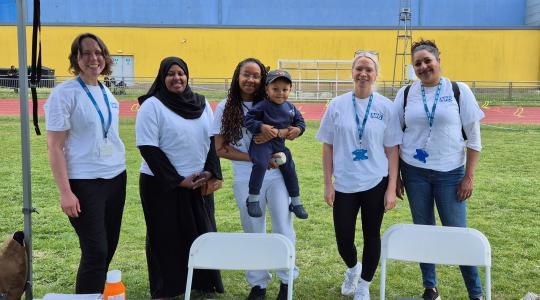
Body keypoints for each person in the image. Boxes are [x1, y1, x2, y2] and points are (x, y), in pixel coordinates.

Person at [394, 39, 485, 300]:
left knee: (458, 233)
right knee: (424, 230)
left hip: (450, 174)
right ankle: (430, 288)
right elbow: (397, 137)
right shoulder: (406, 94)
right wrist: (398, 175)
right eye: (417, 64)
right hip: (414, 173)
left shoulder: (459, 91)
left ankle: (475, 292)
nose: (423, 67)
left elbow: (474, 138)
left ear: (438, 60)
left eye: (427, 61)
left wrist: (469, 176)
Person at [44, 33, 126, 294]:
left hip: (116, 177)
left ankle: (96, 294)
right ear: (76, 58)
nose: (94, 58)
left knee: (108, 246)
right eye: (87, 53)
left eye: (99, 52)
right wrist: (66, 192)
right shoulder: (64, 94)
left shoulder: (106, 92)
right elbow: (54, 146)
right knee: (95, 251)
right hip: (84, 182)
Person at [136, 56, 223, 299]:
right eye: (171, 74)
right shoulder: (152, 105)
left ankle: (202, 284)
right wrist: (177, 180)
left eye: (181, 73)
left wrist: (211, 172)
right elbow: (148, 147)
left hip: (198, 182)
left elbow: (211, 141)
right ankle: (168, 287)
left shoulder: (202, 103)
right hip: (161, 184)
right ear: (162, 78)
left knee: (201, 233)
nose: (177, 78)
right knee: (166, 236)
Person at [316, 52, 401, 300]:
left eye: (369, 69)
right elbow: (328, 146)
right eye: (359, 69)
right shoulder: (337, 104)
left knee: (371, 234)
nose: (363, 73)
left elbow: (392, 150)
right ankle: (353, 269)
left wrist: (391, 187)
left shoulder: (386, 106)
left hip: (375, 181)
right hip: (344, 183)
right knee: (343, 238)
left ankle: (364, 284)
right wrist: (327, 184)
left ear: (376, 75)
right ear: (352, 72)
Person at [213, 58, 299, 300]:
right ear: (237, 77)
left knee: (283, 225)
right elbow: (220, 148)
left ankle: (286, 280)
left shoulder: (273, 102)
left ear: (264, 79)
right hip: (245, 178)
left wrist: (285, 132)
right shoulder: (225, 107)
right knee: (253, 228)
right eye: (246, 75)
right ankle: (258, 284)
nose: (251, 80)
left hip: (277, 176)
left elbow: (294, 130)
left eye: (256, 75)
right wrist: (255, 158)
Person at [244, 70, 308, 219]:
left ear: (290, 90)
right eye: (275, 89)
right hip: (261, 145)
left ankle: (296, 202)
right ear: (267, 89)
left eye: (285, 89)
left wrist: (298, 129)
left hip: (279, 146)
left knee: (290, 169)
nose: (280, 93)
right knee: (260, 163)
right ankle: (253, 199)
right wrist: (261, 127)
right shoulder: (262, 106)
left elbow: (301, 122)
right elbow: (248, 120)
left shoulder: (291, 108)